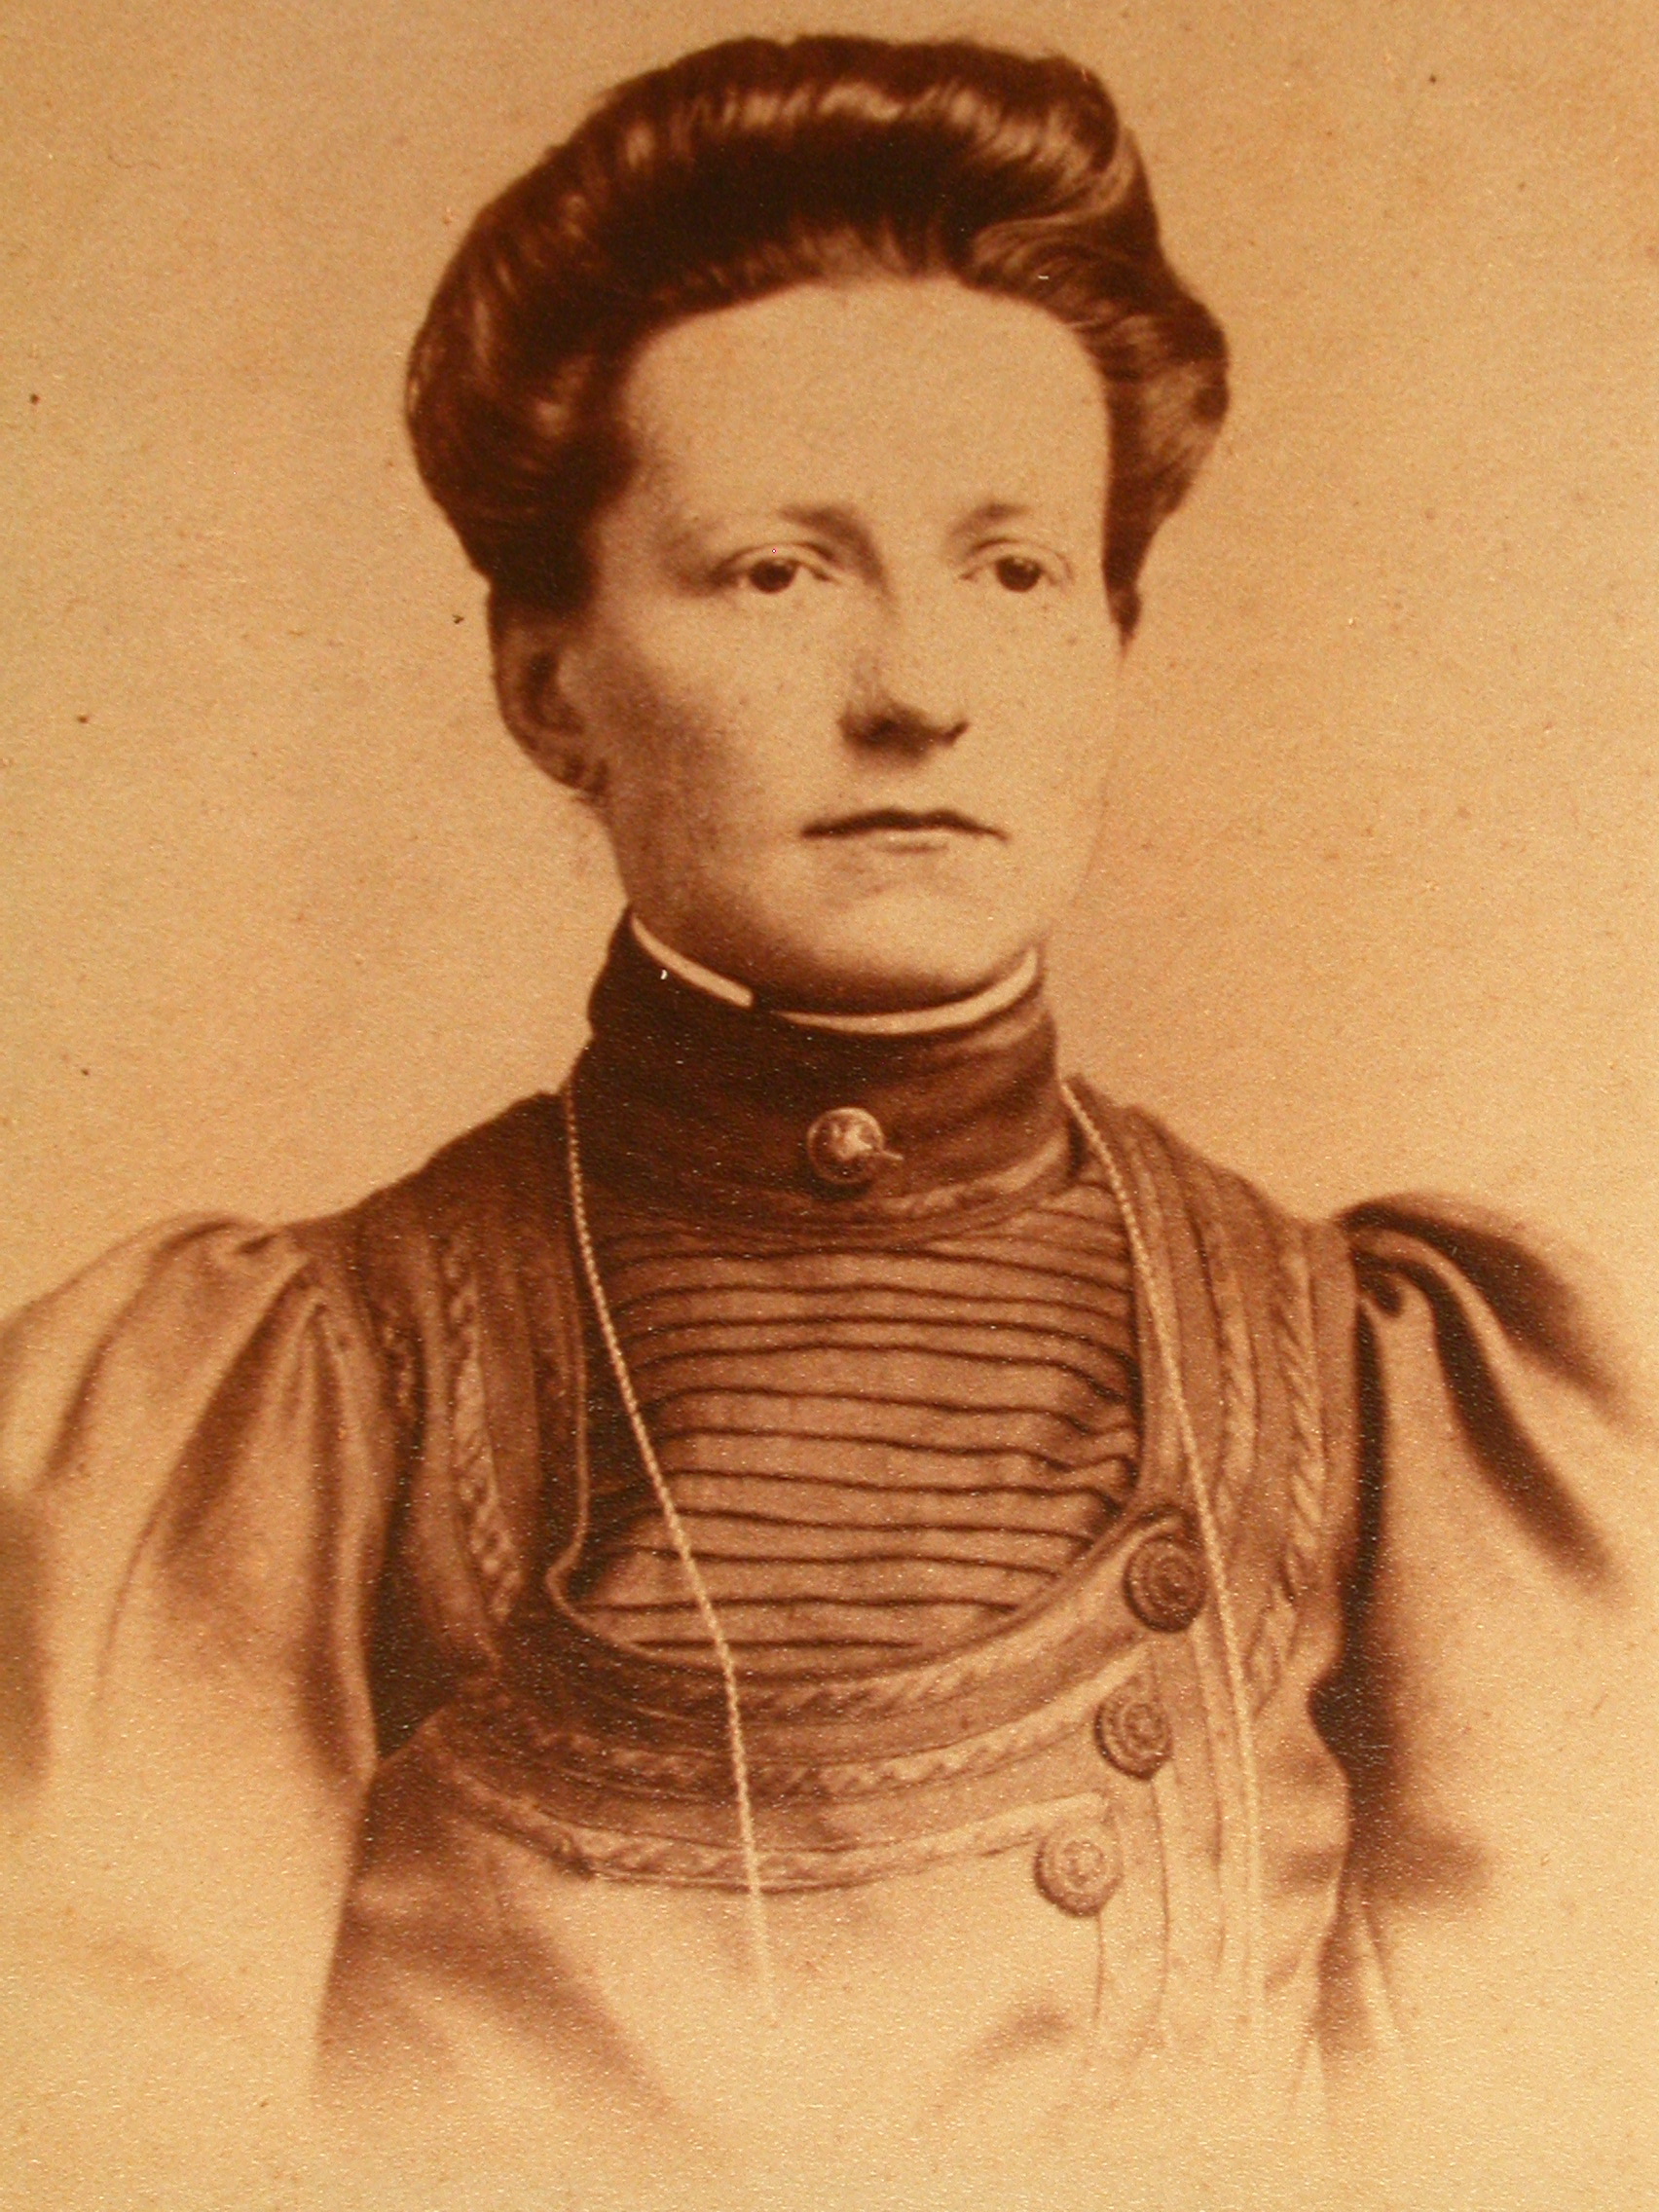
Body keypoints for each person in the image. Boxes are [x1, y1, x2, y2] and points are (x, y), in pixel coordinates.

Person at [2, 32, 1653, 2212]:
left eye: (1016, 570)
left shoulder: (1389, 1382)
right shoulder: (301, 1389)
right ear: (547, 679)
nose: (919, 692)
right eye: (781, 572)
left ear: (1114, 636)